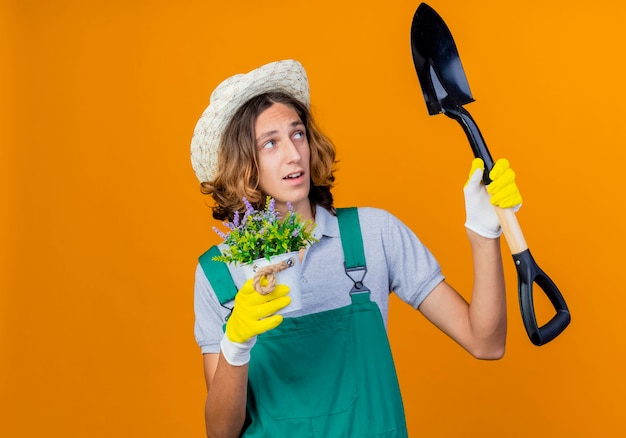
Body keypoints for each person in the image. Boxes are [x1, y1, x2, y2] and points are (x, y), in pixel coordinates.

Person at [190, 60, 522, 437]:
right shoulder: (219, 272)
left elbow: (486, 342)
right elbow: (221, 432)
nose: (294, 155)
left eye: (297, 134)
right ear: (243, 163)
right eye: (270, 143)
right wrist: (236, 343)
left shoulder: (372, 235)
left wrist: (483, 234)